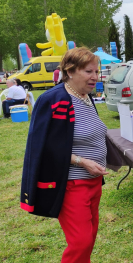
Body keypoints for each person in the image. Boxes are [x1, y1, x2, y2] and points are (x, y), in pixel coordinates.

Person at [20, 47, 109, 262]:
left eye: (96, 72)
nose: (95, 77)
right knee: (81, 242)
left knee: (90, 237)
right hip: (71, 183)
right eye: (89, 72)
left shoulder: (87, 98)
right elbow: (42, 146)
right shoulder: (53, 99)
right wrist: (82, 161)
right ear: (69, 71)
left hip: (94, 183)